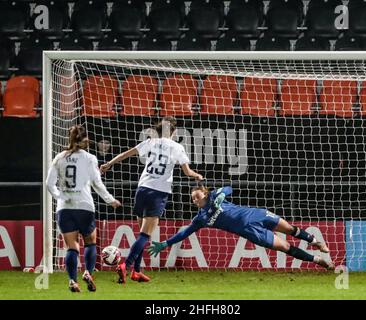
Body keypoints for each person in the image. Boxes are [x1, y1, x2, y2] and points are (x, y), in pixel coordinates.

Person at [100, 116, 203, 283]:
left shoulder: (151, 142)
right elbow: (187, 172)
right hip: (158, 192)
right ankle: (126, 265)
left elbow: (128, 153)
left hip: (142, 189)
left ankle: (136, 272)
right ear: (174, 132)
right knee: (145, 234)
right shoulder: (177, 147)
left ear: (157, 130)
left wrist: (108, 164)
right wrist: (197, 175)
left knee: (141, 232)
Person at [148, 186, 335, 270]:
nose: (195, 200)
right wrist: (164, 244)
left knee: (290, 228)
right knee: (285, 247)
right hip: (251, 232)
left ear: (204, 193)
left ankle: (315, 241)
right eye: (193, 199)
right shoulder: (200, 219)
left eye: (197, 196)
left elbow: (229, 188)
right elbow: (184, 233)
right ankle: (318, 260)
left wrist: (221, 195)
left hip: (257, 214)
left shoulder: (214, 196)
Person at [46, 125, 121, 292]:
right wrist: (111, 200)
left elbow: (49, 184)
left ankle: (73, 281)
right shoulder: (90, 158)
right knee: (90, 242)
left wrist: (61, 197)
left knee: (71, 247)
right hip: (84, 206)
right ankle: (88, 272)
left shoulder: (59, 157)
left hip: (65, 208)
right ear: (85, 140)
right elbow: (97, 183)